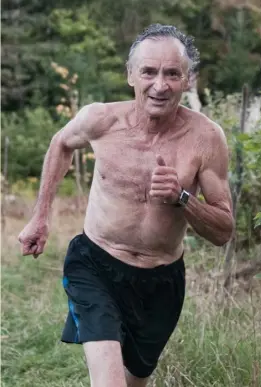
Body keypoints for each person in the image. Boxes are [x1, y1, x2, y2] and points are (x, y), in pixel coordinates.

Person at [18, 24, 234, 387]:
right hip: (94, 264)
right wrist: (40, 217)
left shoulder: (206, 139)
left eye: (172, 74)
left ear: (188, 80)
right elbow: (61, 143)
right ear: (131, 75)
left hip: (160, 282)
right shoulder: (100, 120)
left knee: (135, 381)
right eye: (149, 71)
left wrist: (182, 199)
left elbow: (224, 230)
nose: (160, 85)